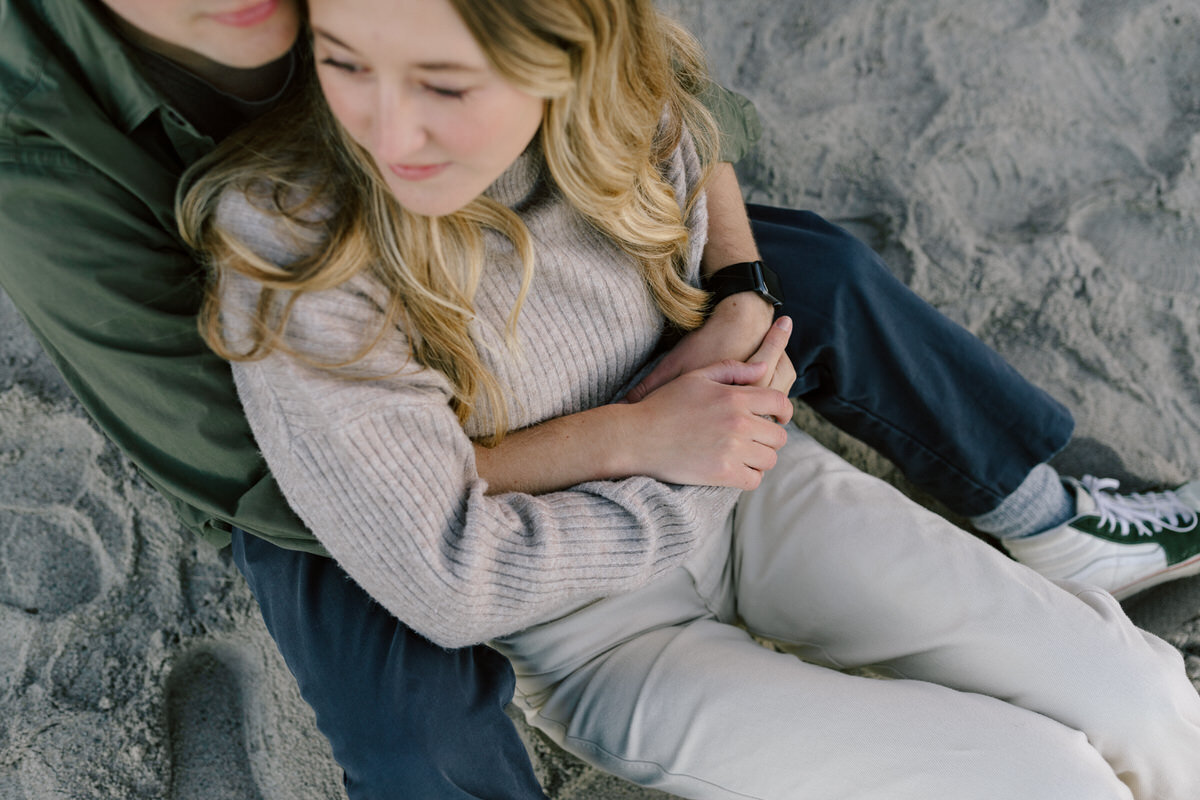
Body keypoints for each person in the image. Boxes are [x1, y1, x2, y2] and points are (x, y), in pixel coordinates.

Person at [1, 0, 1195, 796]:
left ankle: (1050, 511)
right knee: (1046, 779)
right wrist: (669, 445)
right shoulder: (266, 245)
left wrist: (736, 303)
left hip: (748, 494)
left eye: (444, 83)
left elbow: (675, 117)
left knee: (1144, 692)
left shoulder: (603, 106)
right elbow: (409, 546)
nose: (386, 125)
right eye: (349, 65)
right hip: (567, 598)